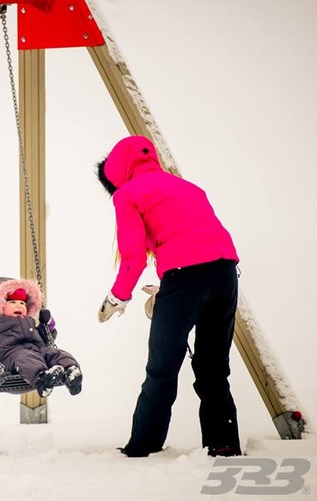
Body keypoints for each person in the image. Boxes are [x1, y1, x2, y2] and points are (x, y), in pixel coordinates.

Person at [95, 135, 241, 458]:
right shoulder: (187, 187)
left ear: (117, 173)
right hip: (225, 272)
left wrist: (117, 297)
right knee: (213, 366)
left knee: (161, 367)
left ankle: (143, 444)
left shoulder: (127, 195)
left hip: (183, 276)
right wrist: (170, 286)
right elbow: (195, 238)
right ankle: (224, 441)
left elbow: (132, 257)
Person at [0, 276, 82, 397]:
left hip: (35, 356)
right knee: (25, 356)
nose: (19, 306)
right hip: (7, 362)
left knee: (54, 353)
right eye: (12, 302)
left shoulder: (29, 322)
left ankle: (71, 374)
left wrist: (49, 327)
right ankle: (42, 379)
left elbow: (43, 340)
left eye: (22, 303)